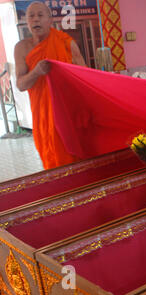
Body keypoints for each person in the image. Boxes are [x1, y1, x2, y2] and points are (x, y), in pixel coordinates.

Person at [14, 2, 87, 170]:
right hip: (43, 116)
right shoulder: (21, 48)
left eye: (40, 15)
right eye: (31, 16)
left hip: (68, 112)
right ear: (26, 21)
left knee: (74, 157)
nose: (35, 19)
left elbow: (83, 78)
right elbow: (20, 85)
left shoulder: (65, 43)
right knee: (52, 159)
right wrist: (36, 72)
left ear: (50, 20)